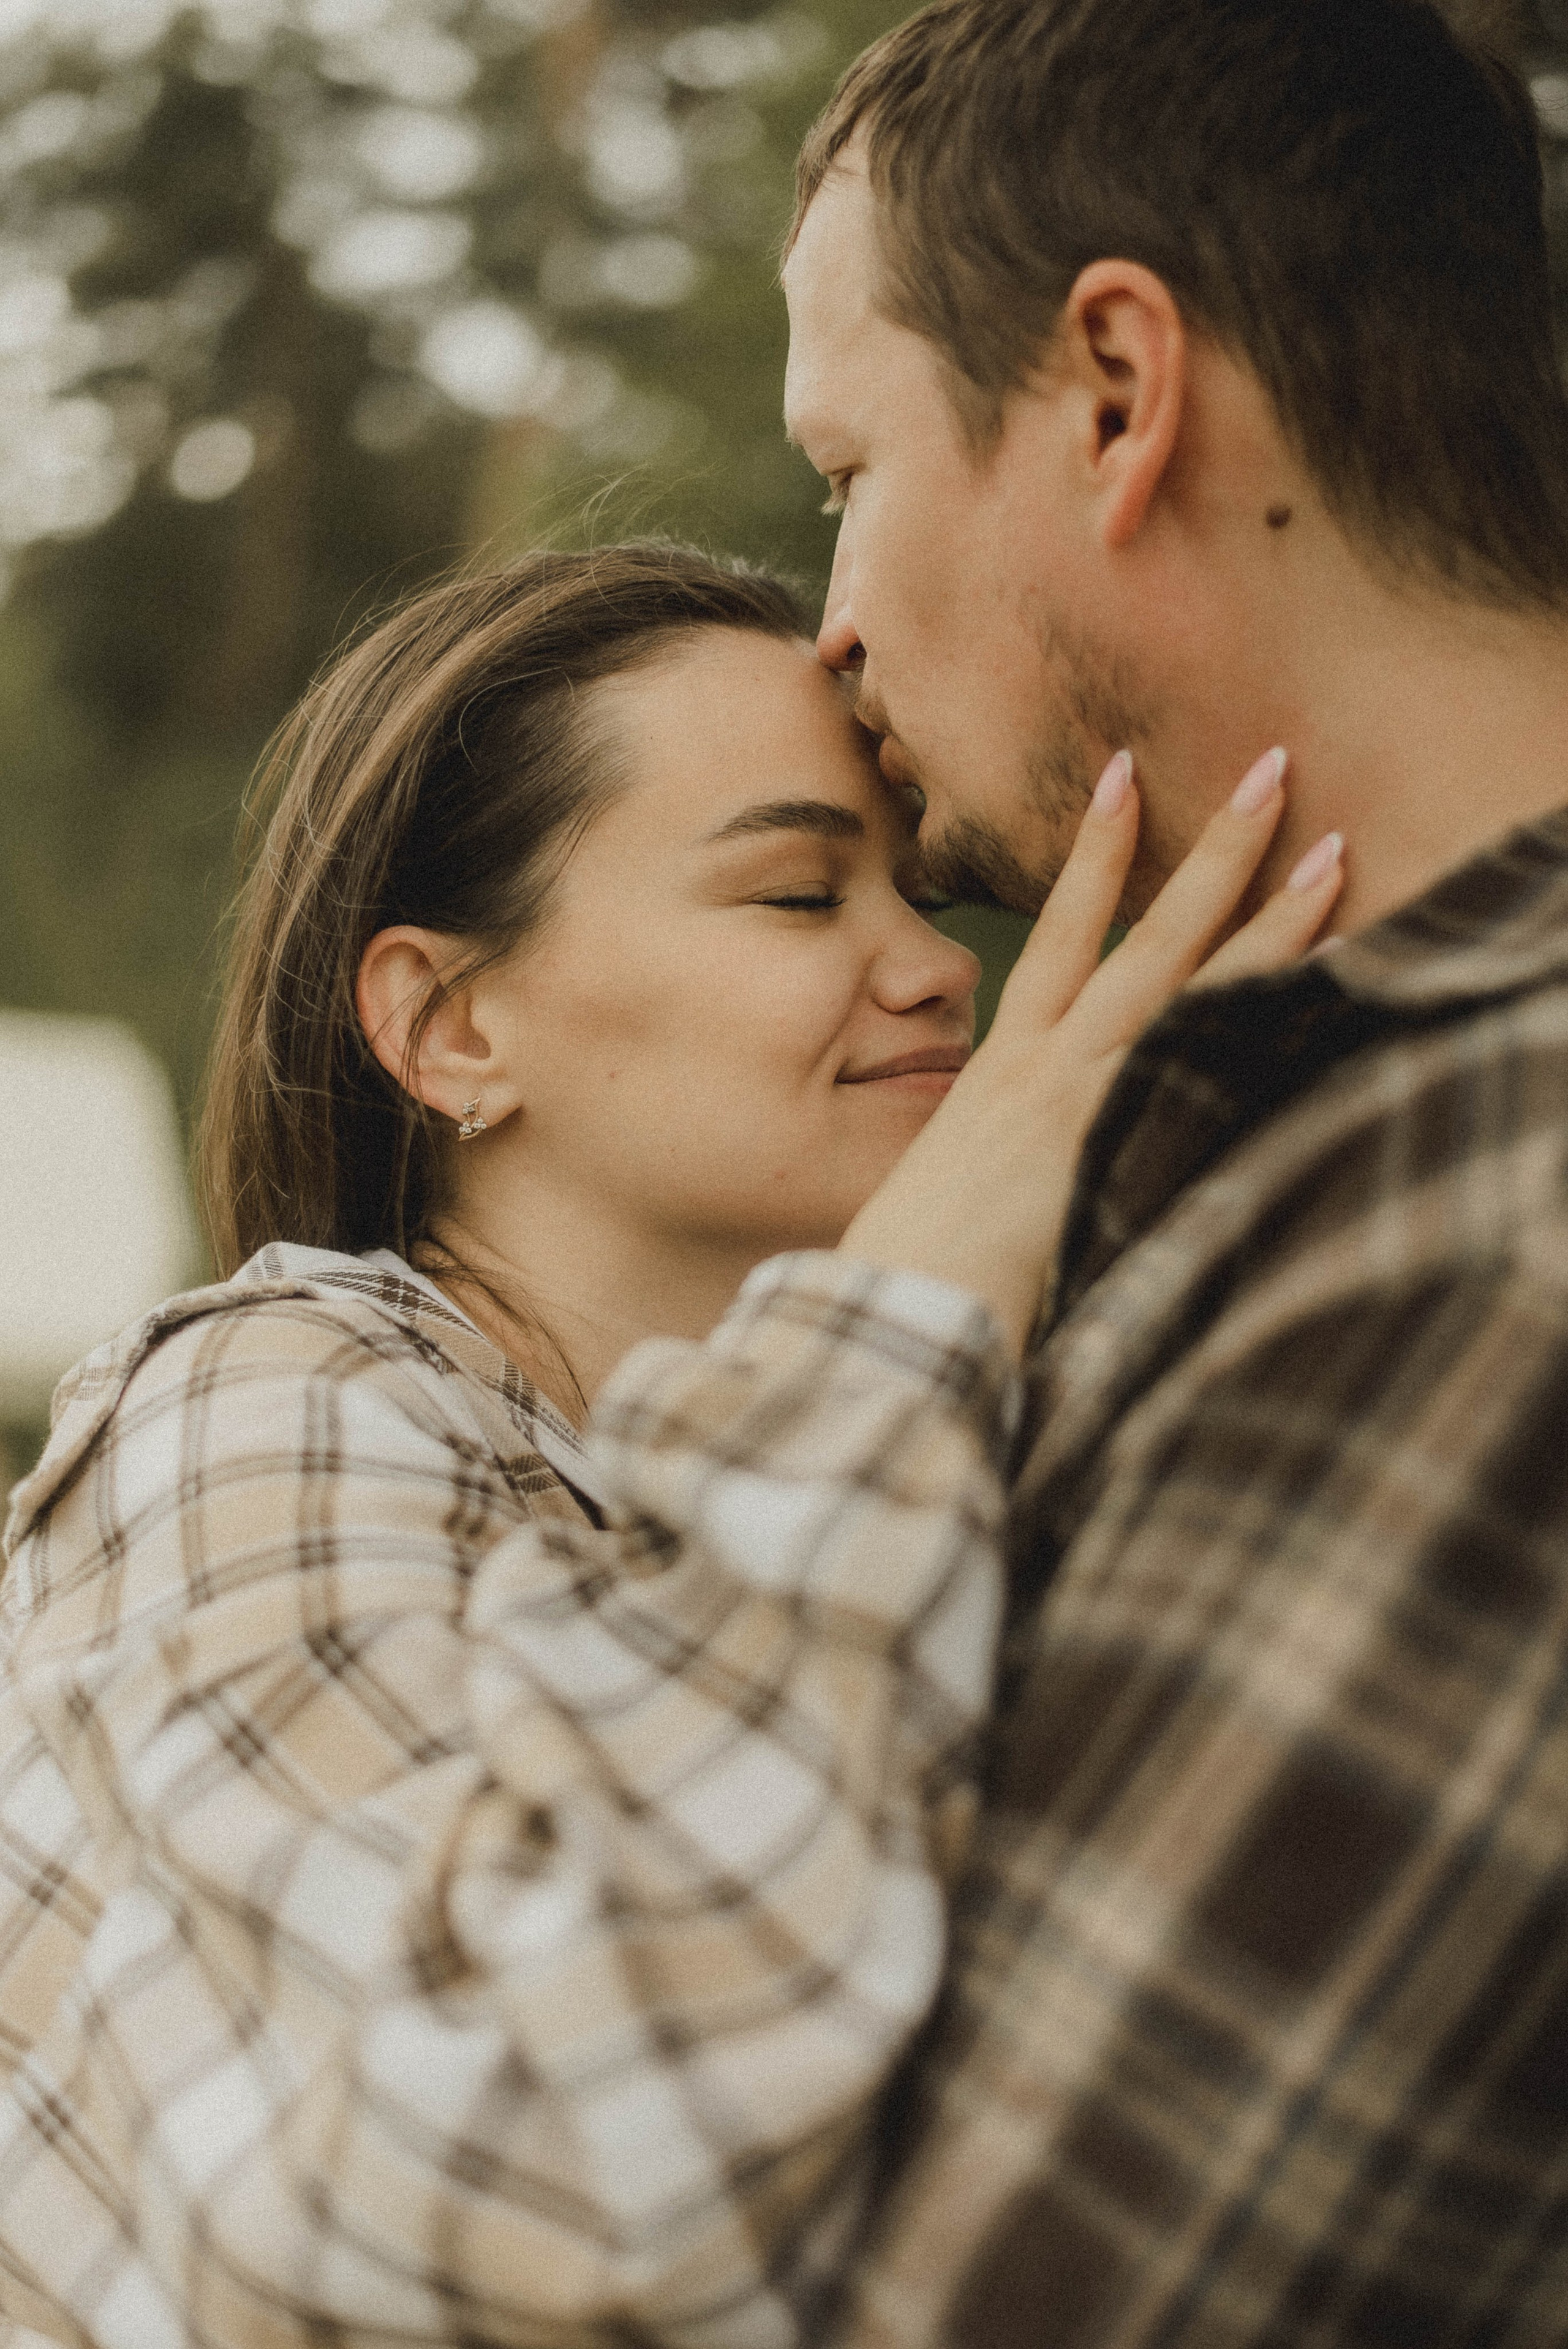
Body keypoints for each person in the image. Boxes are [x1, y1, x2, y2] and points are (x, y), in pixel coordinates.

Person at [0, 543, 1335, 2348]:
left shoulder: (938, 1448)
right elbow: (496, 2198)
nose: (940, 967)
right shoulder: (268, 1402)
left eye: (921, 894)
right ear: (452, 1023)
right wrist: (908, 1316)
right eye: (799, 893)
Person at [773, 0, 1568, 2342]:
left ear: (1119, 394)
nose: (826, 613)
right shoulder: (1316, 1138)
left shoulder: (1486, 1227)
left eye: (844, 465)